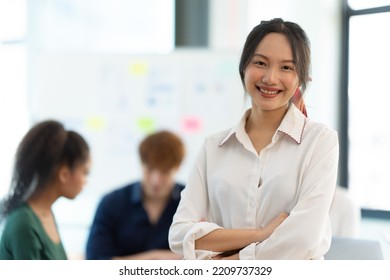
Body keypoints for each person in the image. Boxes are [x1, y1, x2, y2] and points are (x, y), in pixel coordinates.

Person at [168, 18, 339, 260]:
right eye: (260, 63)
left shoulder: (320, 141)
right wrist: (261, 234)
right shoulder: (214, 147)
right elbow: (179, 235)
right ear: (244, 67)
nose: (270, 78)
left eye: (286, 68)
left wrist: (228, 264)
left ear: (301, 78)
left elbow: (303, 237)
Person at [86, 130, 186, 260]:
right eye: (149, 169)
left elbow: (207, 258)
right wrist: (154, 258)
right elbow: (95, 260)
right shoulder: (112, 203)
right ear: (141, 164)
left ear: (177, 167)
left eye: (165, 172)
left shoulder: (191, 201)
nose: (156, 180)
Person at [0, 120, 91, 260]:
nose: (86, 181)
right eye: (85, 172)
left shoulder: (46, 213)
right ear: (64, 174)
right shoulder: (24, 224)